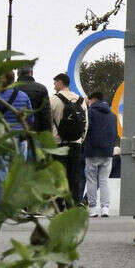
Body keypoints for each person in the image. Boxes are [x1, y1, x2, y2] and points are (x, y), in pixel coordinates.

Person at [0, 70, 32, 213]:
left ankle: (2, 207)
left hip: (1, 139)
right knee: (17, 174)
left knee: (0, 174)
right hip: (20, 139)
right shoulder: (23, 96)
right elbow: (30, 119)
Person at [50, 73, 89, 206]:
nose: (54, 85)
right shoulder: (80, 100)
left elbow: (48, 122)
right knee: (74, 176)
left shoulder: (53, 99)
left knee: (59, 176)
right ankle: (73, 205)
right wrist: (80, 139)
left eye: (55, 82)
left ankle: (59, 206)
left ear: (60, 83)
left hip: (58, 143)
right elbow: (85, 122)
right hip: (75, 144)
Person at [83, 90, 120, 218]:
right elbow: (114, 133)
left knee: (92, 180)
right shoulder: (112, 115)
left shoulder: (90, 113)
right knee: (104, 180)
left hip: (92, 151)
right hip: (107, 152)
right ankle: (105, 208)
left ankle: (93, 209)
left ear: (93, 99)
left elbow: (86, 131)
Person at [15, 66, 51, 150]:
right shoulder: (41, 89)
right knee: (34, 161)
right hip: (36, 133)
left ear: (18, 74)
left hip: (16, 133)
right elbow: (46, 116)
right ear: (31, 73)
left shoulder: (12, 88)